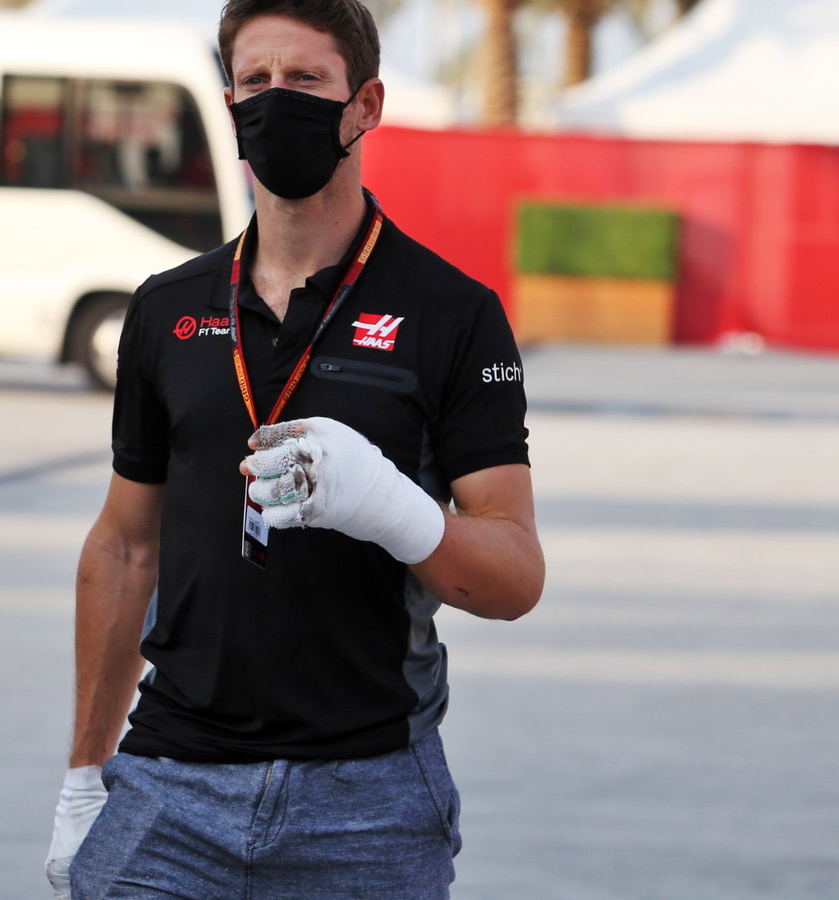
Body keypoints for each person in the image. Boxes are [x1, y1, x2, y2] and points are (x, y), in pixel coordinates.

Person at [45, 1, 545, 897]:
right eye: (256, 81)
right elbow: (125, 545)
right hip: (170, 783)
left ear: (367, 103)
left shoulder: (452, 314)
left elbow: (513, 577)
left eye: (307, 80)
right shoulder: (164, 308)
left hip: (368, 800)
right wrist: (85, 774)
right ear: (230, 96)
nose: (278, 102)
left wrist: (394, 507)